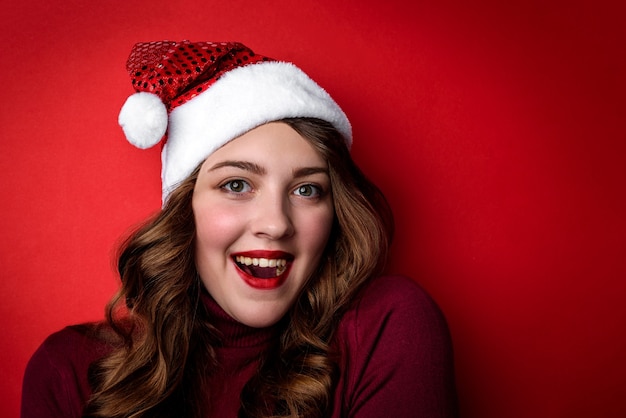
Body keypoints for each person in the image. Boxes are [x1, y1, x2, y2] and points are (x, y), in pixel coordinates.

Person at [21, 40, 458, 418]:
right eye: (236, 185)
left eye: (307, 190)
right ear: (184, 208)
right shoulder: (70, 371)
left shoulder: (386, 327)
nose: (275, 223)